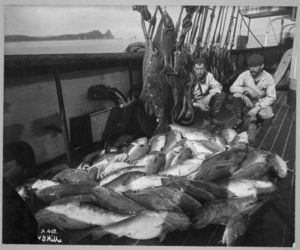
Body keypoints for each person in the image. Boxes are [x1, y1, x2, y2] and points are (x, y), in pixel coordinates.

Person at [230, 53, 276, 144]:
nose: (252, 69)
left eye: (255, 66)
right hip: (249, 100)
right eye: (250, 66)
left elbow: (272, 97)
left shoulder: (268, 78)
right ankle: (240, 119)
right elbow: (232, 88)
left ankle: (255, 119)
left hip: (261, 103)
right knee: (236, 95)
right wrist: (246, 89)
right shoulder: (245, 74)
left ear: (262, 66)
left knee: (269, 114)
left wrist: (257, 107)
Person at [190, 57, 226, 125]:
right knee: (188, 115)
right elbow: (185, 99)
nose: (199, 72)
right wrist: (198, 105)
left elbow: (218, 86)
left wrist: (210, 95)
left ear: (205, 68)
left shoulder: (209, 75)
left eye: (202, 69)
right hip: (192, 103)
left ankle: (213, 116)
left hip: (204, 99)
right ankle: (198, 117)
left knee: (221, 95)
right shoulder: (189, 77)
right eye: (197, 69)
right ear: (193, 69)